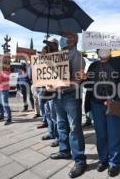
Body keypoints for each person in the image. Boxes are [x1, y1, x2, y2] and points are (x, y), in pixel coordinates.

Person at [85, 32, 120, 177]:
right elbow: (88, 86)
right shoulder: (93, 66)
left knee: (115, 134)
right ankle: (103, 160)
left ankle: (114, 163)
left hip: (116, 103)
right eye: (100, 48)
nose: (103, 50)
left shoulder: (119, 60)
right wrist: (83, 79)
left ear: (110, 49)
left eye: (106, 48)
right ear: (97, 51)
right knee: (101, 135)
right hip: (97, 105)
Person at [49, 31, 87, 178]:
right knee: (61, 124)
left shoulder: (77, 55)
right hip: (58, 95)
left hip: (71, 96)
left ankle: (80, 160)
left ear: (76, 39)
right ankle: (64, 150)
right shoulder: (58, 55)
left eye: (71, 36)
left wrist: (62, 83)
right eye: (65, 36)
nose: (68, 38)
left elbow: (78, 79)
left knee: (74, 128)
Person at [40, 37, 60, 148]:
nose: (48, 46)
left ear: (55, 45)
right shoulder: (46, 55)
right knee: (48, 114)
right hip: (46, 90)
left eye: (50, 44)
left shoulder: (59, 56)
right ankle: (51, 133)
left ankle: (58, 137)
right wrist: (43, 55)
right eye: (47, 44)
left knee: (55, 115)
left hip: (55, 91)